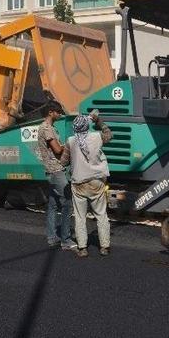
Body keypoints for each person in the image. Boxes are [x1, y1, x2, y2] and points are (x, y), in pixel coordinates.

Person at [60, 111, 113, 258]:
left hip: (79, 183)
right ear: (86, 126)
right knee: (101, 214)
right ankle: (104, 247)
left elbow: (64, 162)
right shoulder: (97, 137)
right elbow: (109, 135)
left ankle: (82, 248)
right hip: (96, 181)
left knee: (80, 217)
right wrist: (99, 121)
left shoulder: (70, 141)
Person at [35, 101, 75, 250]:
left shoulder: (49, 127)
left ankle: (52, 237)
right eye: (58, 112)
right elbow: (57, 150)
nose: (60, 114)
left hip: (51, 170)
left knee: (52, 205)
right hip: (55, 170)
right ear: (51, 112)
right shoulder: (46, 128)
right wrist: (71, 145)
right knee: (68, 203)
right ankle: (65, 239)